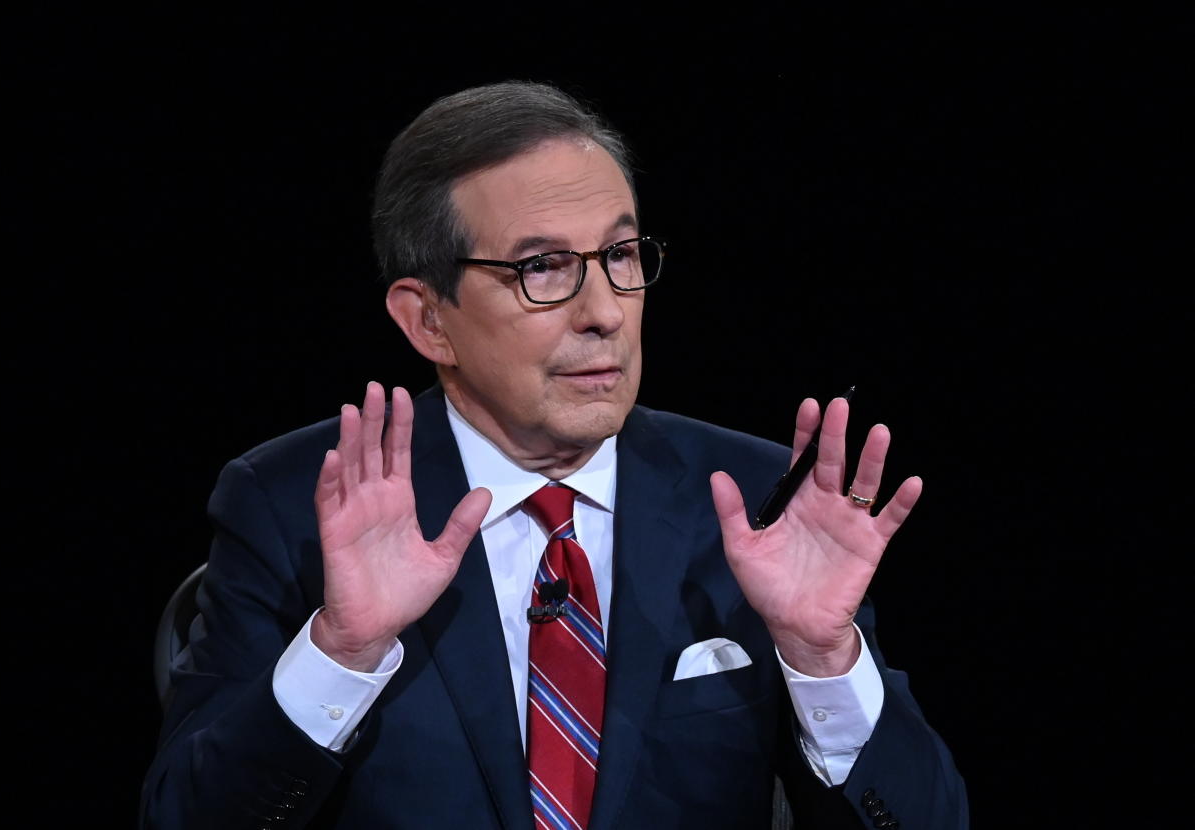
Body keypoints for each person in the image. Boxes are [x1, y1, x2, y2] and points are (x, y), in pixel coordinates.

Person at [140, 81, 968, 830]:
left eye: (619, 256)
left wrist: (824, 660)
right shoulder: (292, 507)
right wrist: (341, 652)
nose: (605, 311)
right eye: (543, 268)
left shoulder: (755, 502)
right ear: (428, 320)